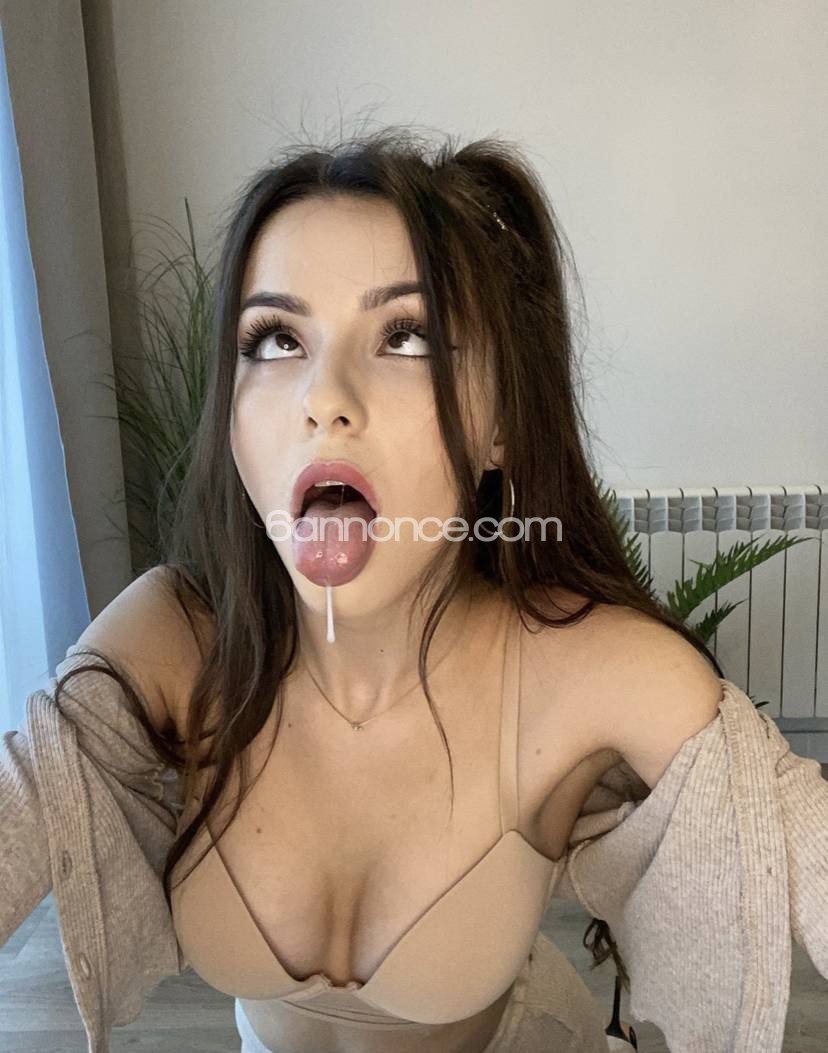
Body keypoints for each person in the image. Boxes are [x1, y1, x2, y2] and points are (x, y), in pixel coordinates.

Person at [3, 126, 826, 1053]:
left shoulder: (595, 670)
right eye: (275, 338)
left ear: (500, 421)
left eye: (407, 335)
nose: (324, 397)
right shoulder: (176, 643)